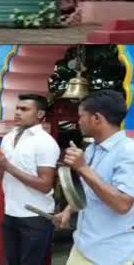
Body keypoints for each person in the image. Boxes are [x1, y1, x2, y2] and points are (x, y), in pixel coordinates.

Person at [53, 90, 134, 265]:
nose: (78, 121)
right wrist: (68, 211)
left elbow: (123, 204)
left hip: (112, 255)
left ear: (96, 118)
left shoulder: (128, 151)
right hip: (83, 246)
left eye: (81, 116)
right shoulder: (91, 149)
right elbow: (88, 192)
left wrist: (82, 168)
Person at [0, 93, 60, 265]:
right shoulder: (9, 138)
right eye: (17, 108)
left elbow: (46, 185)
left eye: (24, 109)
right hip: (10, 212)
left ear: (40, 114)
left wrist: (8, 167)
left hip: (35, 215)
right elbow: (3, 175)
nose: (18, 112)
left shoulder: (45, 142)